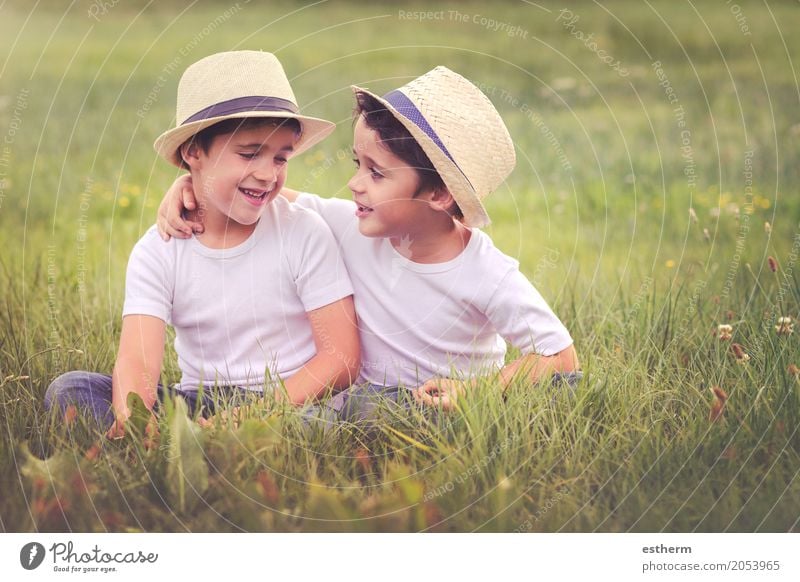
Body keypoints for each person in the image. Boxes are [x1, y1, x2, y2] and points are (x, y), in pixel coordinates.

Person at [158, 65, 579, 422]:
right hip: (355, 405)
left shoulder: (486, 271)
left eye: (376, 173)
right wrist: (192, 184)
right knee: (346, 409)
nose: (354, 184)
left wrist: (477, 391)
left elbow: (559, 356)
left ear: (438, 195)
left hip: (431, 410)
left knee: (563, 389)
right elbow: (259, 193)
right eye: (358, 164)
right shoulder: (351, 225)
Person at [45, 51, 360, 437]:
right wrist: (136, 418)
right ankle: (175, 442)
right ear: (194, 152)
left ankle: (209, 444)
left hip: (290, 400)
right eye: (249, 154)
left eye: (281, 158)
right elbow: (138, 362)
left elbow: (341, 358)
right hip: (200, 399)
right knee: (72, 390)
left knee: (310, 427)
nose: (268, 174)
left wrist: (248, 419)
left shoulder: (304, 231)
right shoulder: (159, 249)